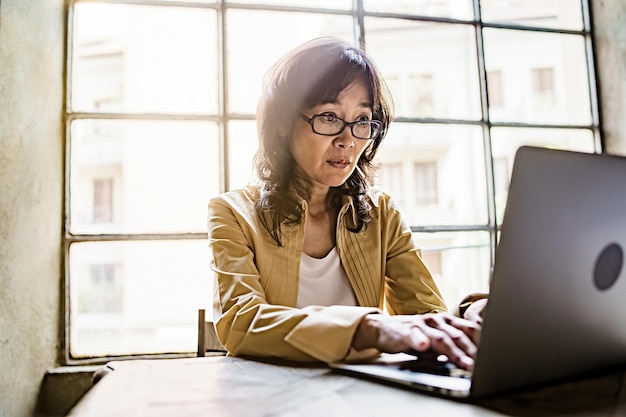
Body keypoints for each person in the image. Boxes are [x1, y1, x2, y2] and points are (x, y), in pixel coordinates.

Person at [207, 37, 486, 370]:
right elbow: (242, 324)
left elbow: (424, 315)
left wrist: (469, 314)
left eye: (362, 121)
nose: (347, 140)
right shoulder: (233, 213)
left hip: (359, 395)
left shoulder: (382, 214)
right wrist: (367, 327)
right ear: (283, 123)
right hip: (268, 397)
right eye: (328, 117)